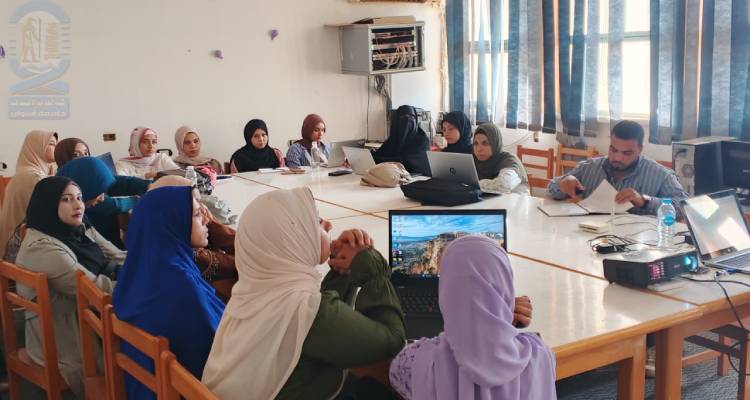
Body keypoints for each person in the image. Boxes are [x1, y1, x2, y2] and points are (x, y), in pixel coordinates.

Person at [202, 187, 405, 400]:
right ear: (293, 239)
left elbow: (327, 323)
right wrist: (372, 269)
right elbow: (391, 343)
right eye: (316, 221)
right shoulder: (305, 309)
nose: (329, 225)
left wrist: (343, 269)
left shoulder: (254, 292)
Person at [388, 235, 556, 400]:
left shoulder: (411, 363)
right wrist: (498, 319)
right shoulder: (540, 355)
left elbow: (396, 376)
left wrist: (467, 319)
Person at [15, 177, 124, 399]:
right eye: (66, 200)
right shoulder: (42, 248)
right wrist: (144, 282)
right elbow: (97, 291)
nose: (78, 205)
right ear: (47, 205)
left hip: (90, 316)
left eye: (79, 198)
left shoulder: (78, 229)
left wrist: (153, 262)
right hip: (68, 334)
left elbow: (118, 256)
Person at [112, 186, 224, 400]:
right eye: (196, 214)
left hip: (148, 385)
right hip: (178, 390)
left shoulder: (142, 265)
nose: (205, 219)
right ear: (172, 224)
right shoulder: (179, 283)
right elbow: (214, 353)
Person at [547, 120, 688, 215]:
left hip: (635, 243)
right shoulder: (589, 168)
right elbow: (551, 189)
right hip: (587, 238)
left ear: (640, 149)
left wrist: (644, 201)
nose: (618, 158)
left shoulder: (660, 175)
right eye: (613, 150)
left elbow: (685, 206)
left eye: (627, 153)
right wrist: (563, 183)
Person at [148, 176, 238, 301]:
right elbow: (251, 259)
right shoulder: (193, 258)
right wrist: (212, 225)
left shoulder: (156, 244)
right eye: (196, 212)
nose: (205, 216)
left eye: (201, 204)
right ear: (177, 217)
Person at [57, 157, 150, 249]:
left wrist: (149, 185)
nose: (102, 199)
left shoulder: (86, 182)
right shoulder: (80, 214)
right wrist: (140, 199)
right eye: (76, 153)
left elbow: (119, 183)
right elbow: (116, 205)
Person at [0, 130, 57, 258]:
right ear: (36, 148)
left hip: (16, 243)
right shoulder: (34, 177)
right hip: (17, 250)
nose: (56, 148)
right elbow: (52, 213)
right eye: (51, 144)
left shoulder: (27, 171)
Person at [473, 123, 530, 195]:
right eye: (476, 143)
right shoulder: (476, 161)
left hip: (515, 201)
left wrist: (473, 184)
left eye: (485, 143)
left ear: (495, 144)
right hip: (491, 201)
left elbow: (504, 184)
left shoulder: (510, 160)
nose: (479, 149)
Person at [374, 105, 430, 174]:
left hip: (416, 176)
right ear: (396, 121)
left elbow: (408, 162)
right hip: (392, 175)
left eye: (412, 116)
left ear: (416, 120)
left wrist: (380, 160)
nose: (408, 120)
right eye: (404, 117)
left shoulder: (422, 140)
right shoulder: (393, 139)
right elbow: (379, 154)